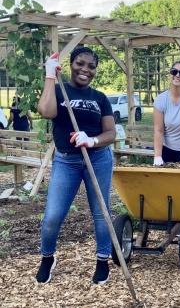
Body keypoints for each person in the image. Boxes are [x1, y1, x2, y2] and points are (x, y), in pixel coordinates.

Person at [36, 47, 116, 285]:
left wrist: (92, 140)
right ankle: (47, 257)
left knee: (101, 212)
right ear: (71, 65)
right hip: (66, 161)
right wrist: (50, 76)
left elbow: (111, 133)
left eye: (91, 66)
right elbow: (46, 111)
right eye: (80, 63)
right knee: (52, 216)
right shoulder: (59, 90)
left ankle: (103, 260)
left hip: (98, 158)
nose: (85, 70)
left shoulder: (100, 97)